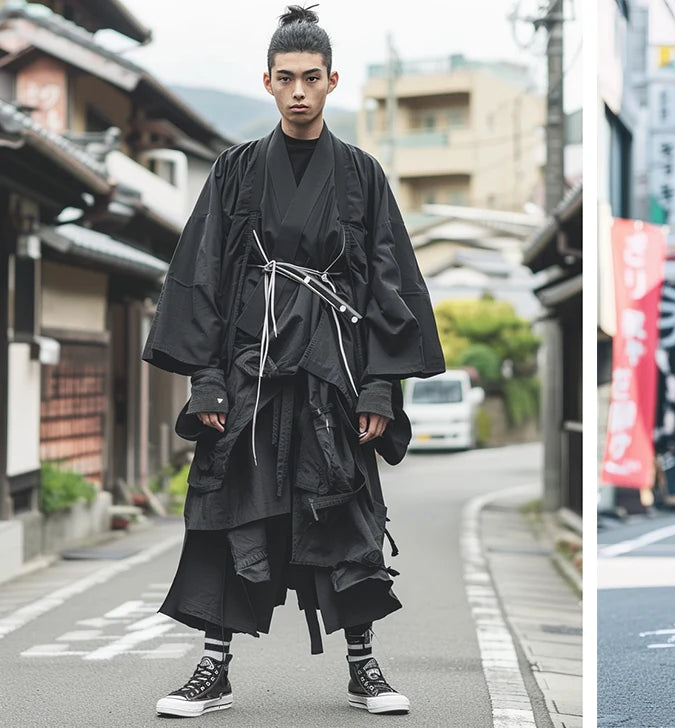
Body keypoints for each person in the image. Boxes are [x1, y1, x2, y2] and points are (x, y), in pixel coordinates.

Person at [143, 5, 444, 718]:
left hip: (333, 381)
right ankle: (212, 671)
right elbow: (205, 275)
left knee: (346, 517)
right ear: (268, 83)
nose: (300, 90)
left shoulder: (363, 176)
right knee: (227, 515)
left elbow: (388, 284)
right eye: (287, 79)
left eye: (313, 77)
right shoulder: (235, 171)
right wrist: (207, 379)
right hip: (248, 377)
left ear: (333, 81)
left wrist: (378, 389)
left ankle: (364, 669)